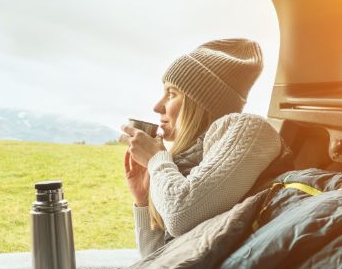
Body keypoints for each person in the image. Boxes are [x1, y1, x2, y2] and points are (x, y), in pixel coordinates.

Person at [120, 38, 282, 257]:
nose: (157, 106)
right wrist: (142, 200)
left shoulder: (249, 129)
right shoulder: (186, 161)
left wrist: (156, 159)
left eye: (171, 93)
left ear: (201, 101)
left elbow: (181, 216)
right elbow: (154, 259)